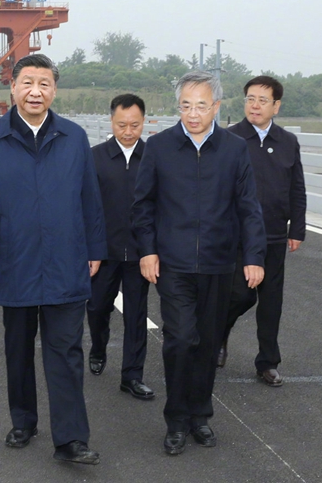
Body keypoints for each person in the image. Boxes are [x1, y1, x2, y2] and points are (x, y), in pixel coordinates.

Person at [0, 54, 105, 465]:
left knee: (66, 352)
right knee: (18, 348)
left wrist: (95, 248)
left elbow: (90, 196)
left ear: (54, 90)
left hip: (66, 259)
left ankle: (71, 439)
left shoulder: (74, 137)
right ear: (13, 87)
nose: (35, 91)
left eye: (44, 84)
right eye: (28, 82)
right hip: (15, 258)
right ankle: (23, 421)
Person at [132, 70, 266, 456]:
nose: (193, 114)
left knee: (207, 343)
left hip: (218, 263)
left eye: (201, 106)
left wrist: (254, 256)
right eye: (186, 106)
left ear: (217, 107)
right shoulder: (159, 147)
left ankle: (200, 416)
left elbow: (248, 207)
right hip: (173, 264)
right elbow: (143, 205)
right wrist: (148, 251)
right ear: (178, 107)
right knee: (179, 340)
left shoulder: (234, 149)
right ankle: (176, 421)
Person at [221, 76, 307, 387]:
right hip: (237, 235)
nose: (255, 106)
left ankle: (268, 362)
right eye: (250, 99)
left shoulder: (288, 142)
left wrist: (297, 228)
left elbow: (296, 188)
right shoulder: (228, 139)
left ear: (276, 106)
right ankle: (218, 334)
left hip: (274, 233)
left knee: (271, 301)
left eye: (262, 101)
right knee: (240, 294)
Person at [87, 94, 155, 401]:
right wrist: (90, 249)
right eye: (121, 125)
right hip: (104, 251)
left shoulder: (154, 157)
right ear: (111, 122)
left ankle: (132, 376)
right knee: (97, 307)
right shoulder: (94, 157)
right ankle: (98, 347)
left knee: (136, 314)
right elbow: (86, 206)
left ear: (144, 123)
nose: (128, 131)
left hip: (141, 253)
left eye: (135, 125)